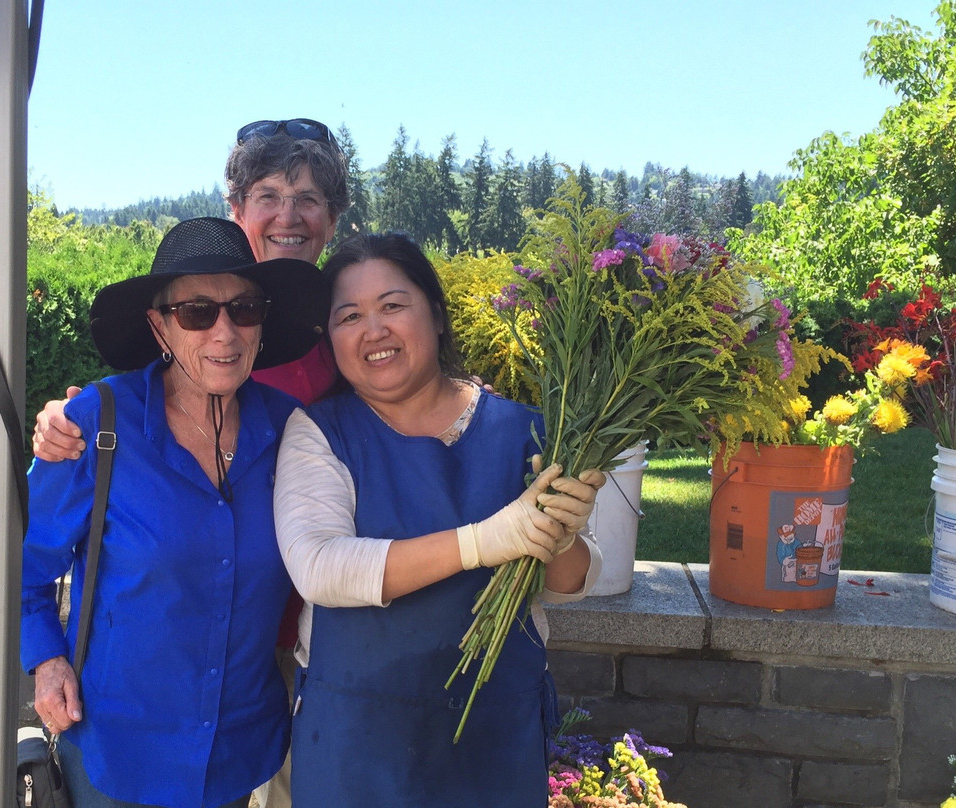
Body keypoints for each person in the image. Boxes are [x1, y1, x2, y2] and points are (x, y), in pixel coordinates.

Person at [30, 118, 349, 808]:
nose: (225, 332)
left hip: (239, 747)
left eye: (244, 308)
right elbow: (25, 569)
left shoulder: (290, 430)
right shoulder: (98, 424)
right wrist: (46, 659)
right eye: (197, 312)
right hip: (117, 746)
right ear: (159, 326)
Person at [273, 232, 606, 806]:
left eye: (393, 306)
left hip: (493, 738)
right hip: (356, 741)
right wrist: (484, 541)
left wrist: (562, 537)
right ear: (331, 339)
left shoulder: (524, 431)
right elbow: (320, 568)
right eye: (349, 316)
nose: (373, 330)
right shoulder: (319, 433)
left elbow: (572, 582)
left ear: (438, 315)